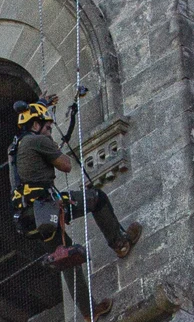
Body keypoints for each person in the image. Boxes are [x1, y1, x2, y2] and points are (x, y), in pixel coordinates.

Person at [8, 96, 142, 261]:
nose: (50, 132)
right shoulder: (38, 141)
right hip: (45, 207)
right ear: (35, 125)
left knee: (65, 257)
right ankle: (120, 244)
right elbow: (66, 165)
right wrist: (51, 144)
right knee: (96, 198)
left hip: (26, 216)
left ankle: (70, 271)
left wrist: (42, 104)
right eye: (48, 128)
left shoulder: (15, 148)